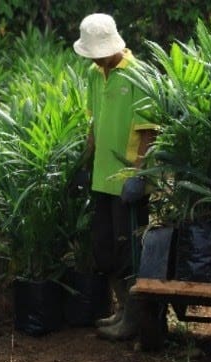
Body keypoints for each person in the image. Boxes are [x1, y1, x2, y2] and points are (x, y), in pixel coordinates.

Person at [73, 13, 158, 340]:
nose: (94, 57)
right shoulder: (95, 75)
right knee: (105, 249)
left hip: (128, 183)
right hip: (101, 181)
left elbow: (148, 132)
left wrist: (138, 175)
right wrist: (84, 162)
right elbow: (93, 127)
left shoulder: (138, 75)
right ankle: (122, 310)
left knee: (129, 251)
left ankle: (135, 320)